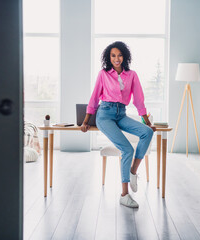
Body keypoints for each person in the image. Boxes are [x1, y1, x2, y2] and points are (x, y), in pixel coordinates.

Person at [81, 41, 156, 208]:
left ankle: (133, 171)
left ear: (125, 57)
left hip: (121, 113)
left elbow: (138, 100)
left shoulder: (132, 75)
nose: (116, 58)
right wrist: (86, 122)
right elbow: (94, 98)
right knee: (127, 148)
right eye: (113, 55)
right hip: (105, 115)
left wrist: (147, 122)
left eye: (120, 55)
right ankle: (124, 195)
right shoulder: (103, 74)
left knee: (147, 133)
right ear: (109, 57)